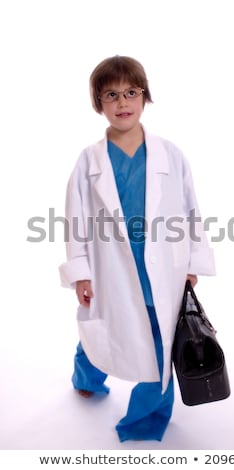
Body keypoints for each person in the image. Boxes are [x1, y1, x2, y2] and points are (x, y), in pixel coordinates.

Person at [59, 55, 216, 442]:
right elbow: (75, 219)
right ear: (99, 104)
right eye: (111, 94)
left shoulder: (170, 155)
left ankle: (146, 418)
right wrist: (80, 270)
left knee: (160, 341)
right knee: (105, 328)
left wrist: (193, 261)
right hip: (109, 268)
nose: (122, 102)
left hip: (163, 269)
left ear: (145, 97)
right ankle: (88, 376)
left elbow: (190, 209)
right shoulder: (89, 161)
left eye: (131, 92)